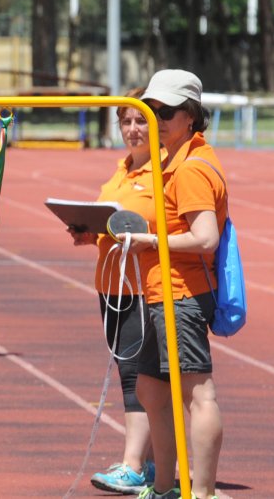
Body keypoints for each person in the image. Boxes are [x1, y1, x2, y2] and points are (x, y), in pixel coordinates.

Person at [117, 70, 226, 499]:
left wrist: (145, 238)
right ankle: (164, 486)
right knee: (149, 388)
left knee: (199, 393)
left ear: (191, 116)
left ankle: (199, 492)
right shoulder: (174, 160)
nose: (156, 119)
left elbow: (205, 238)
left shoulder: (191, 168)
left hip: (181, 291)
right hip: (161, 290)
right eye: (151, 110)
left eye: (167, 111)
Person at [68, 88, 156, 495]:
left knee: (135, 378)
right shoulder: (120, 171)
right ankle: (154, 461)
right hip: (112, 286)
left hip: (143, 288)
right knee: (139, 376)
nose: (133, 129)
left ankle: (134, 464)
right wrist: (90, 233)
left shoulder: (164, 173)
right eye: (126, 121)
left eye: (142, 120)